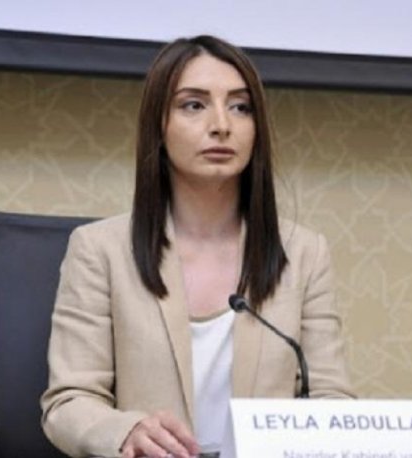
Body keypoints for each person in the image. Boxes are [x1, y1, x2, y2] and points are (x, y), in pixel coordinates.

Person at [40, 35, 355, 458]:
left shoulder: (304, 254)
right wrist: (126, 432)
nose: (222, 124)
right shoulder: (99, 251)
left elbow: (332, 400)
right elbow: (68, 402)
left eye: (240, 107)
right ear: (159, 125)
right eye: (194, 105)